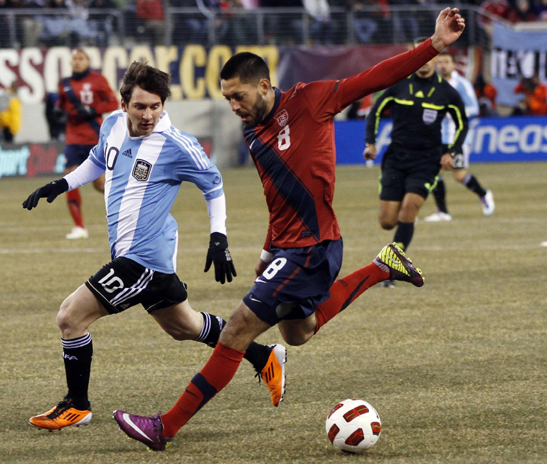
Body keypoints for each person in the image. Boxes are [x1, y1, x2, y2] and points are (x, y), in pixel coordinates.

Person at [112, 7, 465, 451]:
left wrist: (433, 45)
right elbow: (278, 196)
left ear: (264, 85)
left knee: (236, 330)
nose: (234, 107)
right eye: (227, 100)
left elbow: (374, 77)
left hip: (313, 247)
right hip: (291, 247)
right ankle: (380, 267)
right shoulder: (252, 133)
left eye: (238, 96)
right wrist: (267, 250)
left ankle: (165, 426)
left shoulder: (312, 99)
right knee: (298, 332)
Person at [22, 61, 286, 430]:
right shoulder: (112, 124)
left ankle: (76, 405)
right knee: (184, 327)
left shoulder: (175, 144)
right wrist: (61, 185)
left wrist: (218, 235)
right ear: (124, 103)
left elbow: (213, 185)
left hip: (142, 259)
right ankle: (263, 356)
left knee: (70, 317)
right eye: (140, 106)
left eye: (156, 106)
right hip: (143, 259)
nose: (148, 115)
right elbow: (98, 159)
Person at [363, 37, 468, 281]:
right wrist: (370, 142)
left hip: (427, 160)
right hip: (396, 159)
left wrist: (450, 152)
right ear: (413, 56)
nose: (425, 60)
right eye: (420, 54)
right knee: (387, 222)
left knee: (409, 208)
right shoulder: (399, 85)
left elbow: (462, 125)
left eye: (430, 55)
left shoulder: (447, 92)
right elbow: (375, 112)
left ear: (435, 58)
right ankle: (401, 228)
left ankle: (391, 265)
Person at [424, 52, 494, 222]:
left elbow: (474, 109)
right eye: (439, 62)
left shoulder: (462, 85)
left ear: (454, 65)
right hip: (437, 136)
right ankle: (443, 212)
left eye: (446, 62)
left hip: (457, 136)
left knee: (459, 175)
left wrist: (453, 113)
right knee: (433, 173)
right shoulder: (432, 83)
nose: (442, 65)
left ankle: (484, 194)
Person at [56, 49, 118, 240]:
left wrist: (93, 110)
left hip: (95, 137)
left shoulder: (98, 80)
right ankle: (79, 227)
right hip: (73, 139)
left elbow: (113, 103)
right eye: (74, 59)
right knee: (70, 179)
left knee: (100, 184)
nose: (77, 62)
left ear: (88, 62)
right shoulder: (64, 84)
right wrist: (57, 112)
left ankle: (126, 213)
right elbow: (62, 106)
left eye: (81, 59)